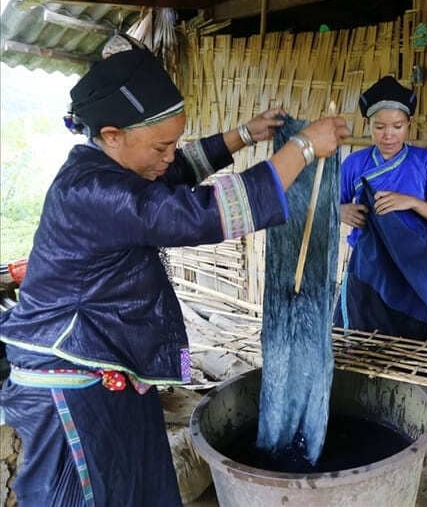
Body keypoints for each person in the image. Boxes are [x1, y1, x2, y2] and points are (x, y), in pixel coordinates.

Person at [0, 37, 350, 506]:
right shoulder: (93, 192)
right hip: (72, 382)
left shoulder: (120, 169)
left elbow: (172, 172)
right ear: (111, 135)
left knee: (141, 488)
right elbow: (200, 215)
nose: (169, 155)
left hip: (110, 368)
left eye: (174, 143)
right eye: (161, 145)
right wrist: (304, 148)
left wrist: (244, 135)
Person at [333, 75, 427, 343]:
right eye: (379, 127)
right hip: (368, 272)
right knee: (360, 349)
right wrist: (341, 211)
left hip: (413, 271)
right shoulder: (354, 164)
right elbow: (324, 209)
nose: (388, 134)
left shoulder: (426, 163)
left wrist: (411, 202)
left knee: (417, 353)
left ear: (409, 124)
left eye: (397, 126)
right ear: (367, 125)